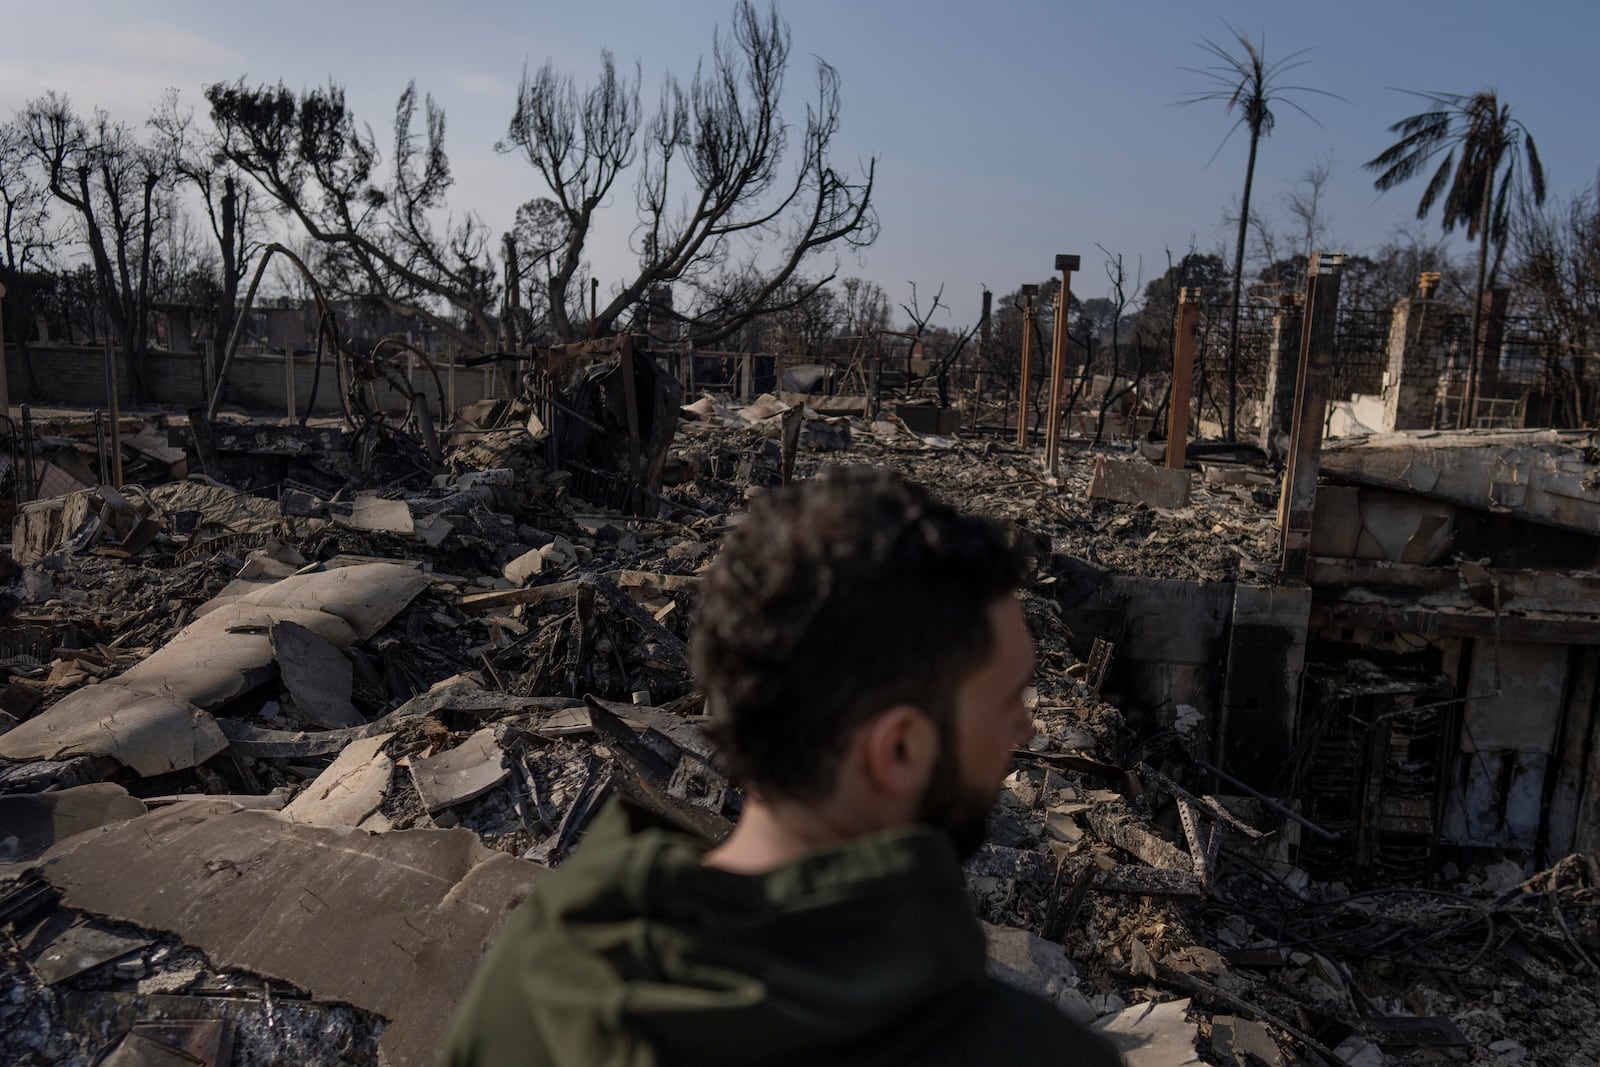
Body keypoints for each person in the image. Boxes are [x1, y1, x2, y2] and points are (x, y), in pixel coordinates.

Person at [439, 465, 1121, 1066]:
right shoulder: (1035, 1052)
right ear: (901, 750)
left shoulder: (529, 986)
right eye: (1007, 700)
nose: (1027, 729)